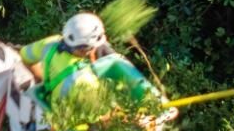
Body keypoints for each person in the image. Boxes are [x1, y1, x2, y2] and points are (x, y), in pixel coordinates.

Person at [19, 12, 163, 116]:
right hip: (72, 116)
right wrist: (138, 119)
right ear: (83, 49)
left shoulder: (50, 43)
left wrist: (42, 79)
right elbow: (106, 121)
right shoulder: (84, 82)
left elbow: (25, 56)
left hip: (55, 99)